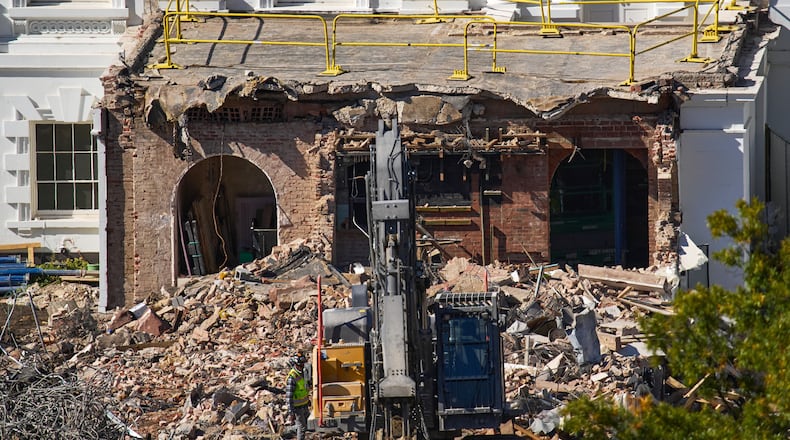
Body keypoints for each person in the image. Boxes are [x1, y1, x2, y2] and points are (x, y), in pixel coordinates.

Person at [285, 353, 310, 440]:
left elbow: (304, 389)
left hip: (304, 404)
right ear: (295, 365)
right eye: (300, 365)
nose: (302, 367)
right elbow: (289, 397)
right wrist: (291, 412)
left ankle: (289, 431)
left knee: (305, 425)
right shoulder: (292, 377)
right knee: (302, 427)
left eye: (303, 365)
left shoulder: (303, 374)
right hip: (297, 407)